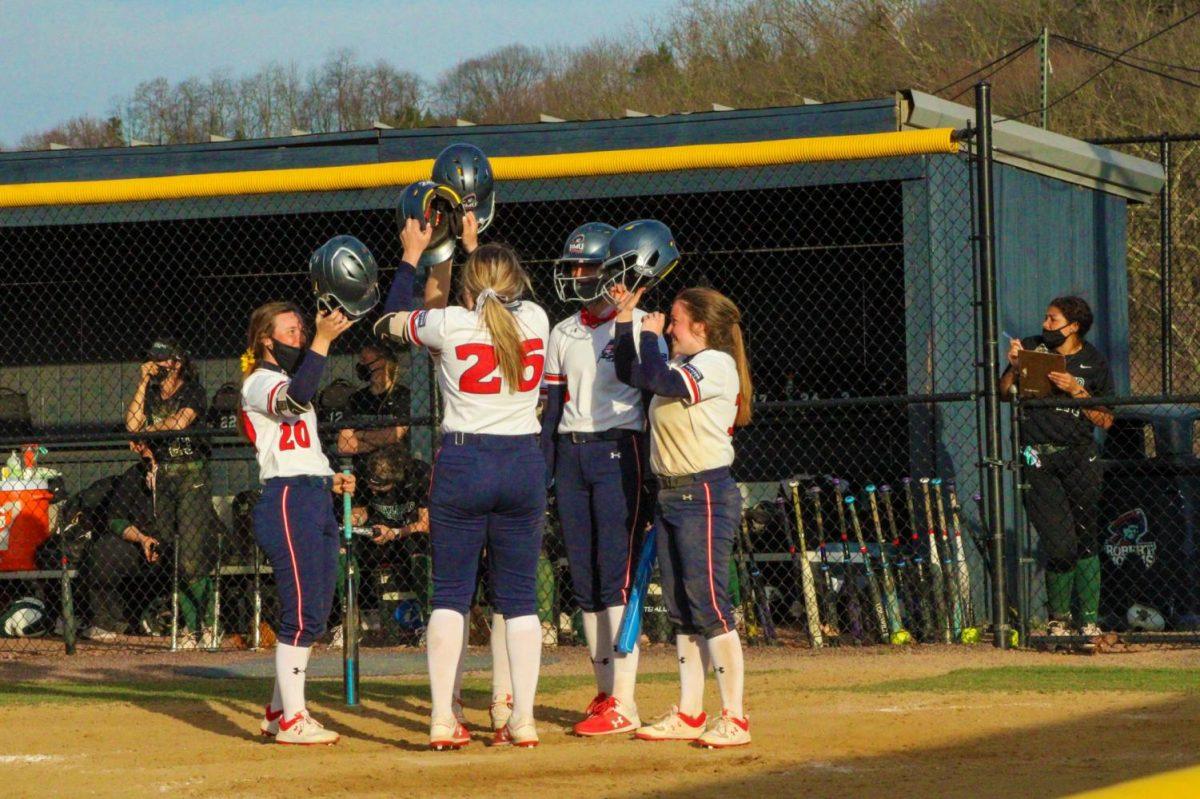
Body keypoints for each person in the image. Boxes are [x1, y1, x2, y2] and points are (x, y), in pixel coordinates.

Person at [375, 218, 549, 750]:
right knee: (519, 599)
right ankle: (521, 720)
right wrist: (475, 246)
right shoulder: (538, 319)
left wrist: (412, 255)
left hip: (465, 462)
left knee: (450, 595)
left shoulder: (450, 322)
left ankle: (441, 719)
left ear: (469, 285)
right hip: (522, 462)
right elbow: (499, 296)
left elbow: (387, 322)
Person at [613, 280, 755, 749]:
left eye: (676, 321)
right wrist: (624, 318)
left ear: (700, 326)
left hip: (705, 492)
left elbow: (657, 379)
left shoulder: (715, 363)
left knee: (709, 603)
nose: (669, 327)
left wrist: (651, 336)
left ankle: (735, 716)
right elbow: (631, 372)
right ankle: (691, 712)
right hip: (672, 495)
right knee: (681, 609)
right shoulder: (680, 362)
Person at [541, 221, 657, 736]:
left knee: (615, 573)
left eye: (586, 266)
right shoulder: (562, 331)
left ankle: (626, 701)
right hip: (572, 451)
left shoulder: (634, 324)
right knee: (584, 581)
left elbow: (644, 386)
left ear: (612, 269)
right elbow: (552, 410)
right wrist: (542, 471)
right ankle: (605, 690)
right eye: (573, 267)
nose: (577, 276)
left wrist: (629, 317)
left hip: (619, 447)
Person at [240, 301, 357, 746]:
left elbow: (302, 444)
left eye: (301, 331)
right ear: (266, 340)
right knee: (302, 612)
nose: (299, 337)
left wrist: (331, 476)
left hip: (311, 493)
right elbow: (294, 401)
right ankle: (293, 719)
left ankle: (276, 712)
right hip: (287, 498)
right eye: (289, 332)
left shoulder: (290, 378)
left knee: (316, 612)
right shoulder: (258, 382)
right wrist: (324, 342)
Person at [1000, 296, 1114, 638]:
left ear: (1073, 326)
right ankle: (1059, 618)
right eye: (1046, 319)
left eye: (1053, 320)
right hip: (1038, 456)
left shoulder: (1093, 362)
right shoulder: (1034, 348)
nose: (1045, 326)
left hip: (1079, 456)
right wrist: (1015, 366)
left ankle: (1088, 620)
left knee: (1085, 537)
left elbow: (1105, 420)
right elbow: (1005, 392)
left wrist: (1076, 391)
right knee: (1060, 542)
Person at [124, 337, 218, 649]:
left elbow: (179, 423)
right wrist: (142, 382)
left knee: (191, 558)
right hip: (164, 477)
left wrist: (144, 433)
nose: (157, 365)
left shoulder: (192, 389)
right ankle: (191, 628)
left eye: (163, 360)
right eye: (153, 360)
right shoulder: (150, 392)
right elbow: (132, 423)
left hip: (192, 474)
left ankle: (208, 623)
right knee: (171, 554)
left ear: (177, 362)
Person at [336, 341, 411, 457]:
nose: (361, 364)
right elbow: (344, 445)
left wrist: (359, 434)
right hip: (362, 467)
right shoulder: (356, 399)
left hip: (395, 465)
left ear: (382, 362)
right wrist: (381, 442)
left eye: (365, 360)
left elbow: (394, 435)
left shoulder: (402, 395)